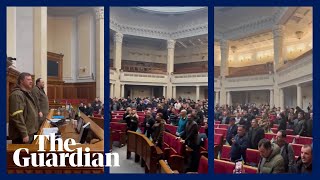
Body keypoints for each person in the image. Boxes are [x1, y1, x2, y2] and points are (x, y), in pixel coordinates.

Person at [9, 72, 39, 144]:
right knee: (23, 154)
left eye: (31, 79)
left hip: (30, 131)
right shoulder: (17, 94)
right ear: (21, 81)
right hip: (22, 135)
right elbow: (17, 116)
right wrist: (24, 134)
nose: (31, 81)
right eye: (28, 79)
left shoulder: (26, 93)